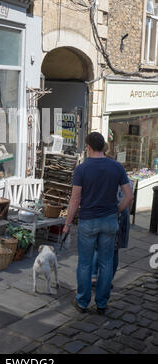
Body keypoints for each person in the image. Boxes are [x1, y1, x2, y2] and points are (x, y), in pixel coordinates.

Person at [62, 132, 133, 314]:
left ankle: (83, 301)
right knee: (106, 263)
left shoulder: (82, 169)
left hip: (88, 222)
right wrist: (117, 210)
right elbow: (129, 196)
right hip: (109, 221)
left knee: (85, 264)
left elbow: (75, 200)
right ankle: (102, 303)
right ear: (102, 146)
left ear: (88, 147)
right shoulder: (116, 167)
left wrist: (67, 224)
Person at [91, 179, 133, 286]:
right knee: (114, 251)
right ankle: (106, 280)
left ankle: (94, 276)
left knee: (98, 247)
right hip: (120, 215)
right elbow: (130, 199)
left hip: (105, 214)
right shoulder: (126, 180)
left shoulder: (104, 177)